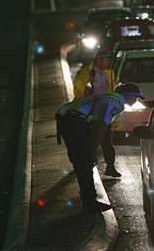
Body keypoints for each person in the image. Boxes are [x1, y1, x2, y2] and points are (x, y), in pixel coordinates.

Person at [57, 83, 143, 213]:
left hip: (68, 119)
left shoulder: (110, 97)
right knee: (85, 161)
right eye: (135, 98)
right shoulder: (116, 102)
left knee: (82, 162)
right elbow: (100, 127)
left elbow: (104, 130)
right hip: (74, 121)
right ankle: (90, 202)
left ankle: (88, 199)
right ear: (127, 96)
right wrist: (92, 151)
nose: (136, 101)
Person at [73, 49, 121, 178]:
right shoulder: (87, 73)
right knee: (91, 142)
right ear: (98, 60)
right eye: (106, 59)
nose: (108, 62)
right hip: (91, 113)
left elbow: (113, 90)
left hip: (105, 112)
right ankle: (85, 166)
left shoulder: (109, 73)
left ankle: (110, 166)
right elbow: (79, 91)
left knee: (107, 142)